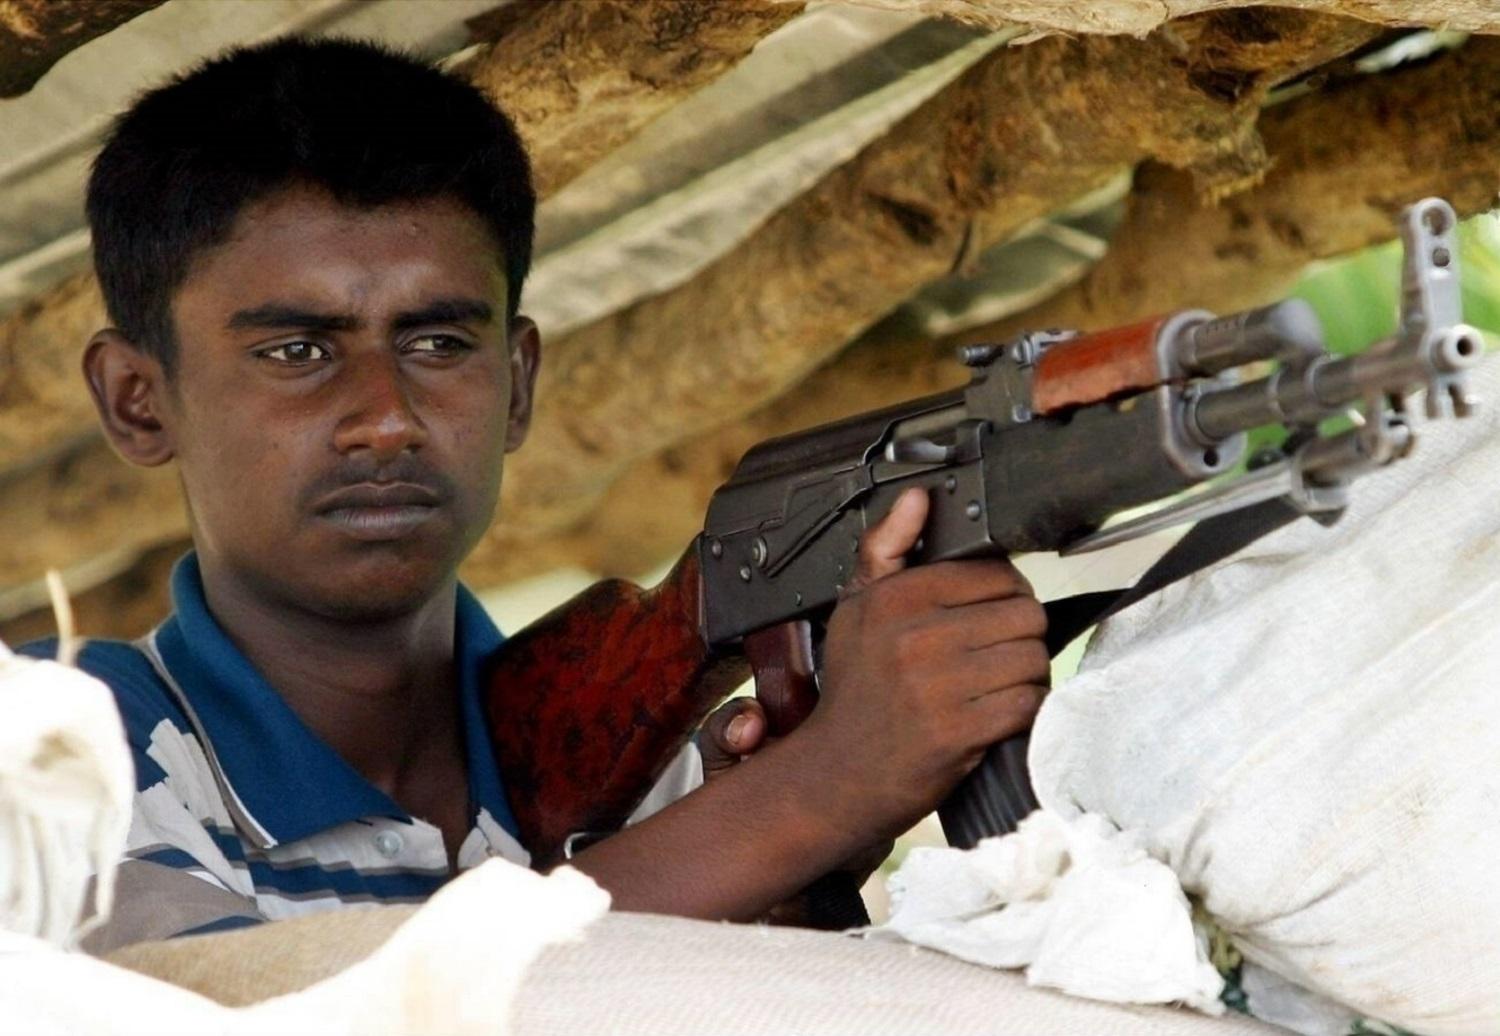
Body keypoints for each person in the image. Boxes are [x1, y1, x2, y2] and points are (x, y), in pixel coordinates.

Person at [21, 36, 1048, 952]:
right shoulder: (53, 755)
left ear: (516, 384)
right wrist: (826, 787)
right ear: (137, 401)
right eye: (296, 350)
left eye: (438, 343)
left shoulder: (653, 779)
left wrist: (832, 803)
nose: (386, 414)